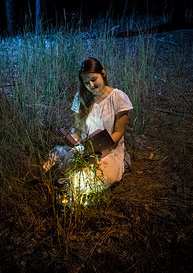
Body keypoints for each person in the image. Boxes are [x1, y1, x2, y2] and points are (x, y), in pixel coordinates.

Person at [44, 57, 133, 197]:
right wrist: (74, 138)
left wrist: (97, 146)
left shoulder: (118, 98)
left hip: (107, 151)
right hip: (84, 149)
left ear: (103, 74)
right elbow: (78, 129)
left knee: (98, 178)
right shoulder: (81, 97)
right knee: (65, 162)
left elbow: (118, 132)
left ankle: (121, 163)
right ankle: (69, 183)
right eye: (86, 82)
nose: (90, 85)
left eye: (93, 79)